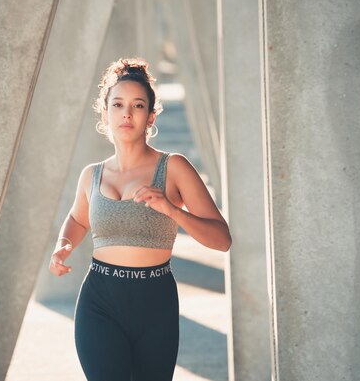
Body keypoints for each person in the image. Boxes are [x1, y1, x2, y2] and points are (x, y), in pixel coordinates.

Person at [48, 57, 232, 381]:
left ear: (150, 116)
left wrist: (174, 212)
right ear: (105, 113)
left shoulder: (174, 168)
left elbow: (222, 239)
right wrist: (63, 245)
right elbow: (77, 220)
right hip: (99, 302)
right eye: (118, 104)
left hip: (155, 305)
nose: (127, 113)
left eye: (138, 105)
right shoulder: (92, 174)